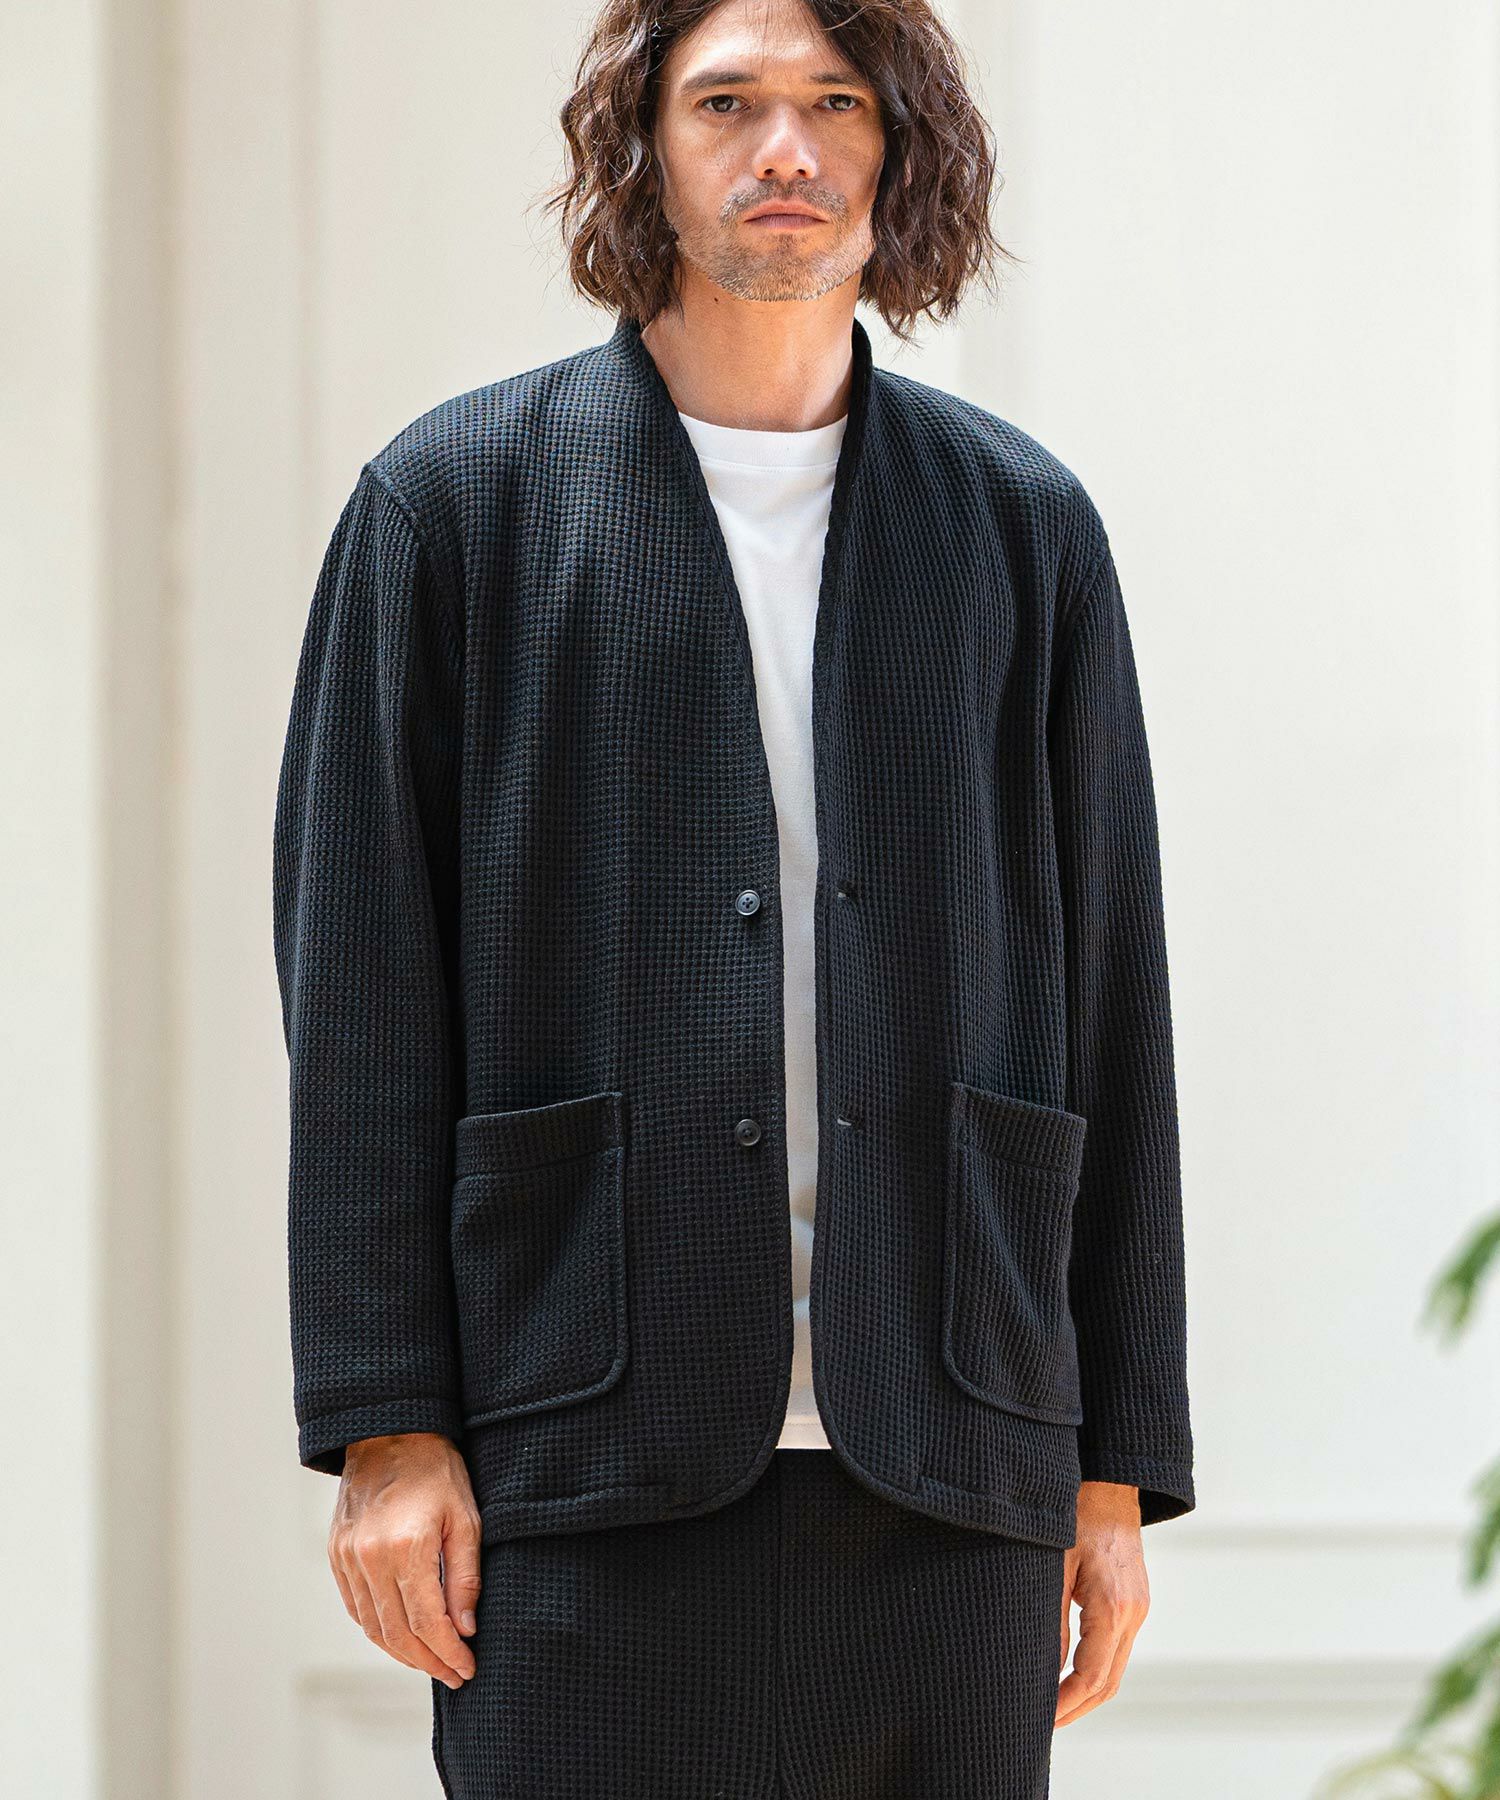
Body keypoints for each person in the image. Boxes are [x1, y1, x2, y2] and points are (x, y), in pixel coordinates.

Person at [271, 0, 1196, 1793]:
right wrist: (386, 1424)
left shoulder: (1021, 530)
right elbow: (361, 989)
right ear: (643, 146)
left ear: (899, 148)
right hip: (578, 1445)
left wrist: (1112, 1464)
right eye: (728, 103)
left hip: (954, 1452)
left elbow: (1112, 1000)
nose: (788, 150)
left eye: (837, 101)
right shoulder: (452, 509)